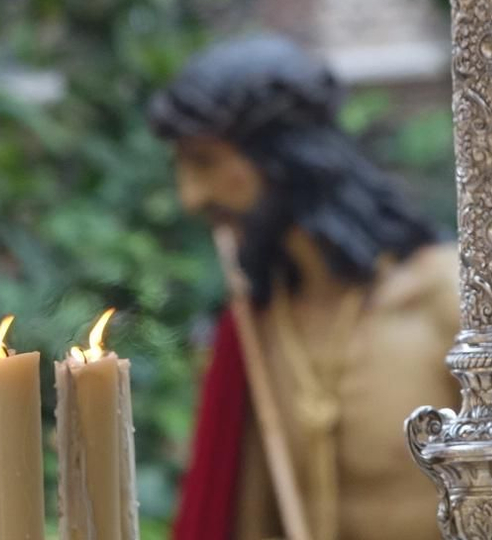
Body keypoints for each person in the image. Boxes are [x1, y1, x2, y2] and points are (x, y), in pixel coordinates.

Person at [149, 33, 459, 540]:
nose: (190, 197)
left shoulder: (445, 297)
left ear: (283, 154)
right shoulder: (258, 326)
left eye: (204, 161)